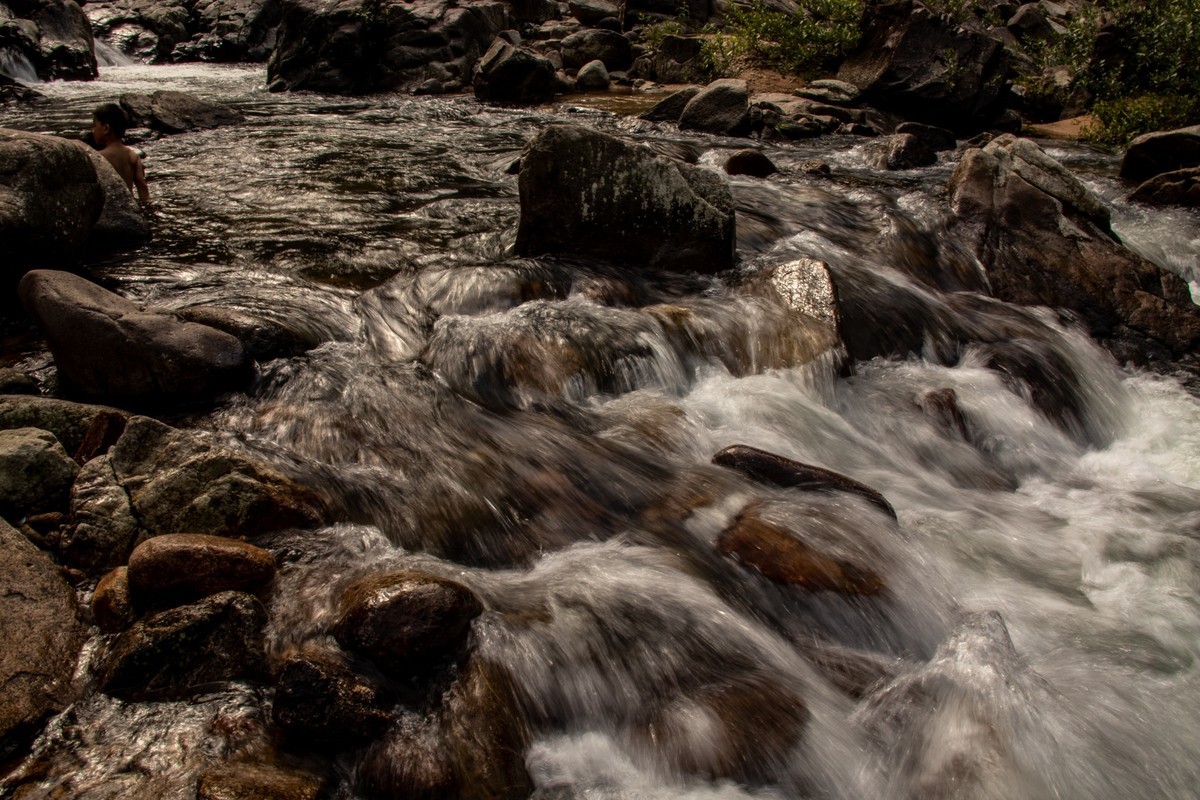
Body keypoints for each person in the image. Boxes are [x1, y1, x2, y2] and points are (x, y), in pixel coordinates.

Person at [91, 103, 150, 204]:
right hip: (130, 207)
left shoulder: (98, 157)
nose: (93, 130)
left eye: (94, 126)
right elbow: (142, 185)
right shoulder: (132, 156)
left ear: (106, 128)